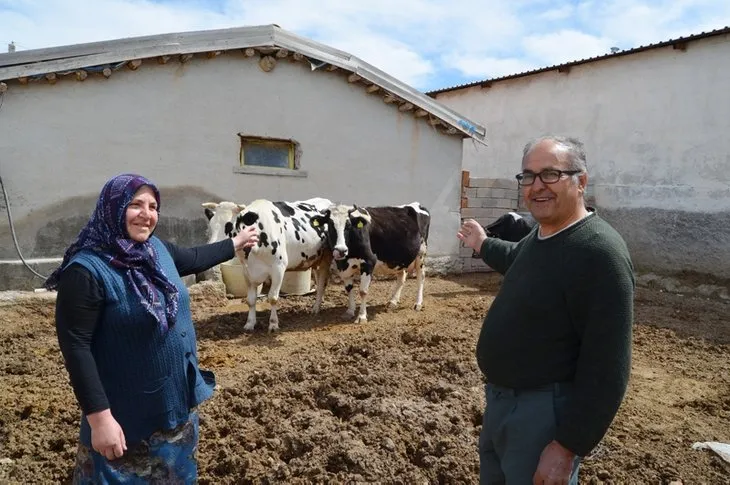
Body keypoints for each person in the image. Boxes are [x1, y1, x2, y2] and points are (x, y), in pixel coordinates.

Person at [44, 173, 258, 483]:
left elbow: (195, 258)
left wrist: (236, 243)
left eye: (153, 206)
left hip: (175, 411)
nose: (147, 215)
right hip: (126, 421)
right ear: (113, 207)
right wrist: (100, 420)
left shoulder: (155, 251)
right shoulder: (86, 270)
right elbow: (76, 347)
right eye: (135, 205)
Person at [457, 136, 635, 484]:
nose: (537, 186)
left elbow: (607, 364)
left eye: (551, 174)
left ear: (580, 181)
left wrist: (569, 445)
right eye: (529, 176)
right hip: (501, 403)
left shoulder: (599, 252)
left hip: (543, 414)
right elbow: (515, 259)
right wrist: (482, 243)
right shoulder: (540, 236)